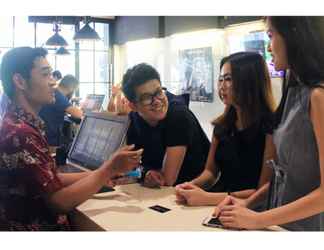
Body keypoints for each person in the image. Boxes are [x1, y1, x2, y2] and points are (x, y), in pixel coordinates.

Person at [0, 47, 143, 231]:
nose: (53, 82)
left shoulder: (18, 124)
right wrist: (108, 169)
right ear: (20, 81)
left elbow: (51, 179)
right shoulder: (20, 133)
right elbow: (58, 202)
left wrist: (99, 174)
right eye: (46, 75)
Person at [213, 16, 324, 231]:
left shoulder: (318, 97)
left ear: (294, 35)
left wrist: (258, 219)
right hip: (279, 223)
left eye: (271, 36)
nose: (268, 47)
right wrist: (248, 204)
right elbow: (282, 176)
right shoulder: (294, 93)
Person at [175, 52, 276, 207]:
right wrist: (190, 186)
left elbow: (263, 190)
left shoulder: (271, 127)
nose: (221, 86)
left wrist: (207, 198)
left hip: (249, 209)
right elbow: (210, 173)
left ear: (249, 81)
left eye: (228, 79)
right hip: (217, 202)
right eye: (220, 79)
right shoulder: (222, 126)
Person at [121, 63, 210, 187]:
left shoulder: (178, 115)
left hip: (196, 191)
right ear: (133, 106)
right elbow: (130, 169)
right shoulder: (134, 119)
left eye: (158, 92)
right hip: (166, 193)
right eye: (147, 98)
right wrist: (144, 174)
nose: (156, 101)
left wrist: (141, 173)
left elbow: (167, 179)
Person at [39, 74, 83, 147]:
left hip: (44, 132)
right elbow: (78, 114)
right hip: (50, 137)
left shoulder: (55, 91)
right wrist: (83, 108)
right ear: (72, 88)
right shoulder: (58, 95)